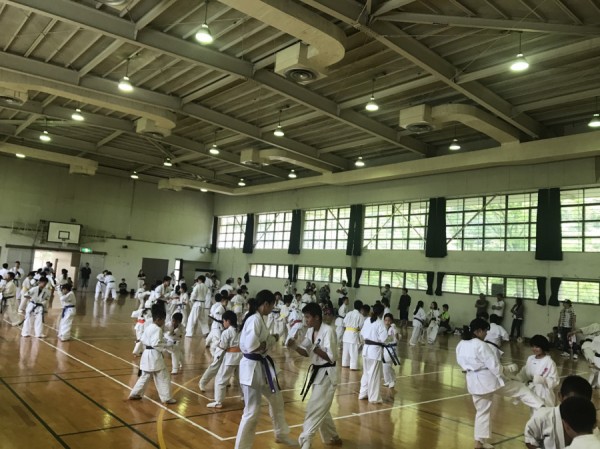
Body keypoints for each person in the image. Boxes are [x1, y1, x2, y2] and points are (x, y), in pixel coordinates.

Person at [456, 318, 545, 449]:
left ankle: (478, 443)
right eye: (485, 331)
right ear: (479, 331)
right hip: (489, 381)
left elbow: (464, 364)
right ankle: (542, 408)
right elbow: (495, 367)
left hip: (474, 382)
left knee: (482, 412)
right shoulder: (481, 345)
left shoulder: (461, 344)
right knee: (521, 388)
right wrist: (509, 369)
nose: (486, 334)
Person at [234, 290, 296, 449]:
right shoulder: (254, 319)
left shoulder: (258, 318)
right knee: (252, 412)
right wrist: (268, 342)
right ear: (266, 304)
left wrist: (271, 339)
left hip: (262, 368)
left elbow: (260, 343)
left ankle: (281, 433)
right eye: (272, 305)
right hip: (251, 369)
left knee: (277, 400)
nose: (272, 308)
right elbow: (251, 346)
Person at [287, 302, 341, 448]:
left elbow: (331, 357)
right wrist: (294, 346)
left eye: (308, 317)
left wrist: (313, 348)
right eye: (305, 317)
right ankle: (333, 436)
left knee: (314, 407)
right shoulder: (310, 331)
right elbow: (306, 352)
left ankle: (306, 439)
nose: (306, 320)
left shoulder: (328, 331)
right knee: (321, 406)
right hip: (317, 373)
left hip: (327, 374)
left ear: (317, 317)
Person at [524, 375, 594, 449]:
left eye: (581, 403)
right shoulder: (543, 416)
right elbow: (529, 438)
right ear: (560, 396)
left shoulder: (588, 422)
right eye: (571, 401)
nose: (575, 406)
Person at [128, 304, 176, 404]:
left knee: (145, 376)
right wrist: (166, 345)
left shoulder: (149, 327)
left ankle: (135, 393)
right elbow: (156, 344)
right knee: (163, 376)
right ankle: (166, 397)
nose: (163, 322)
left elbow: (143, 340)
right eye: (163, 320)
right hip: (154, 355)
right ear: (158, 319)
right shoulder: (157, 329)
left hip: (146, 354)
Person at [207, 310, 242, 408]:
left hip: (230, 358)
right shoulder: (241, 330)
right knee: (241, 379)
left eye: (224, 321)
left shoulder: (227, 332)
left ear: (228, 321)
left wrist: (216, 355)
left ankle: (218, 401)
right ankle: (245, 397)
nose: (223, 323)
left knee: (221, 379)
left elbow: (222, 346)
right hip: (241, 357)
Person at [516, 335, 559, 407]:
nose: (534, 349)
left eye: (537, 347)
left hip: (544, 393)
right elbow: (524, 372)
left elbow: (555, 380)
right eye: (532, 346)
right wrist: (516, 378)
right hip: (532, 392)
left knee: (545, 414)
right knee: (534, 414)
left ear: (543, 347)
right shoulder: (530, 358)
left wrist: (543, 380)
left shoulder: (549, 362)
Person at [359, 303, 387, 403]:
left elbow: (362, 333)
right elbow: (384, 338)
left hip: (366, 349)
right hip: (374, 351)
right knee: (374, 375)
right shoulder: (380, 323)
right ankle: (374, 398)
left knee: (366, 373)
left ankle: (363, 393)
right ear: (382, 312)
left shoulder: (367, 320)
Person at [342, 300, 364, 370]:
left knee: (346, 350)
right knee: (353, 351)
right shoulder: (360, 316)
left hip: (346, 333)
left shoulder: (349, 313)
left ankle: (345, 363)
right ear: (361, 308)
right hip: (353, 335)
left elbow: (344, 322)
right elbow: (361, 326)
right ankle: (353, 366)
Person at [383, 313, 400, 389]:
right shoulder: (386, 328)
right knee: (385, 365)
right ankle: (388, 380)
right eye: (386, 320)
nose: (387, 322)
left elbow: (391, 339)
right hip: (386, 349)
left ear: (391, 321)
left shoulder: (392, 328)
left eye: (389, 320)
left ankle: (392, 380)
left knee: (387, 365)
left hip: (391, 349)